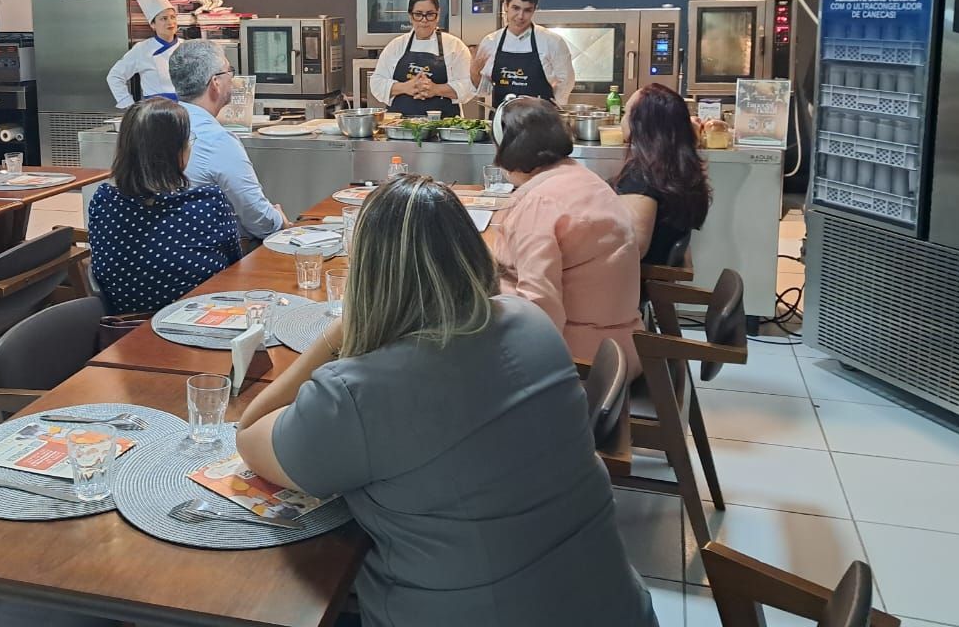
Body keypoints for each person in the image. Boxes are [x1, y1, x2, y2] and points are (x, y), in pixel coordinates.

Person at [235, 175, 656, 627]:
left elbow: (249, 433)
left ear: (366, 279)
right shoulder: (531, 322)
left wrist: (340, 332)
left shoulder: (355, 392)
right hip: (616, 608)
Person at [492, 96, 644, 372]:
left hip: (583, 360)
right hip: (620, 345)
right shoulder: (584, 179)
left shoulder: (540, 203)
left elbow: (540, 309)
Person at [87, 98, 241, 314]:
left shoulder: (104, 201)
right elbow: (235, 264)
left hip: (124, 333)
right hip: (199, 328)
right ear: (176, 151)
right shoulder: (208, 202)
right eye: (187, 140)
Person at [168, 40, 287, 242]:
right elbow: (257, 218)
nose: (232, 78)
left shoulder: (159, 126)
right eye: (229, 71)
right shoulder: (217, 141)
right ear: (215, 82)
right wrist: (279, 221)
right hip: (208, 257)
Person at [615, 83, 711, 264]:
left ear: (642, 125)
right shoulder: (677, 166)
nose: (622, 120)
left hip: (638, 285)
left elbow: (634, 248)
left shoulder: (642, 176)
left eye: (626, 113)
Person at [368, 0, 476, 117]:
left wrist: (435, 89)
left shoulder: (455, 47)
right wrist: (406, 87)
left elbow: (469, 85)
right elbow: (377, 83)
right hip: (399, 127)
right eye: (418, 14)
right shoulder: (396, 46)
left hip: (444, 127)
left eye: (430, 14)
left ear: (438, 15)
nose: (424, 20)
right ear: (410, 16)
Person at [470, 0, 575, 107]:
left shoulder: (552, 42)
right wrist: (474, 72)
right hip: (503, 122)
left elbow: (566, 82)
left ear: (534, 9)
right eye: (516, 8)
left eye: (527, 10)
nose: (520, 16)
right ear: (505, 6)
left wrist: (552, 111)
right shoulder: (490, 42)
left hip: (540, 122)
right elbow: (485, 91)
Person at [106, 0, 182, 108]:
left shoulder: (187, 46)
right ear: (153, 25)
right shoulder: (142, 49)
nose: (170, 22)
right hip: (154, 111)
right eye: (163, 18)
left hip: (186, 110)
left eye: (172, 17)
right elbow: (115, 76)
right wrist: (129, 105)